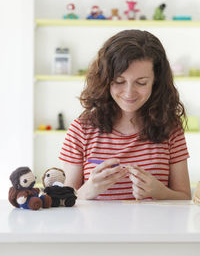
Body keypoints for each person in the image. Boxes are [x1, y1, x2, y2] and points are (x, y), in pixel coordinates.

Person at [59, 29, 191, 201]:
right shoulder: (81, 129)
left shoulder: (170, 128)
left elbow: (185, 198)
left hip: (154, 228)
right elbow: (63, 202)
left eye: (141, 82)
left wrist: (160, 192)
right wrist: (88, 191)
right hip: (93, 228)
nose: (129, 93)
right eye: (119, 81)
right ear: (106, 80)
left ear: (156, 82)